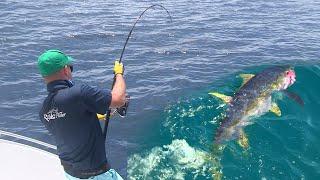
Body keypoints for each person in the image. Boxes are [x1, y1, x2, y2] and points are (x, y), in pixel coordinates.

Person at [37, 49, 126, 179]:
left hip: (71, 174)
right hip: (97, 175)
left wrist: (99, 115)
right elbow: (119, 99)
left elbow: (69, 121)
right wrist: (119, 74)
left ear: (44, 76)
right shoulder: (79, 93)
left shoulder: (44, 110)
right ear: (65, 69)